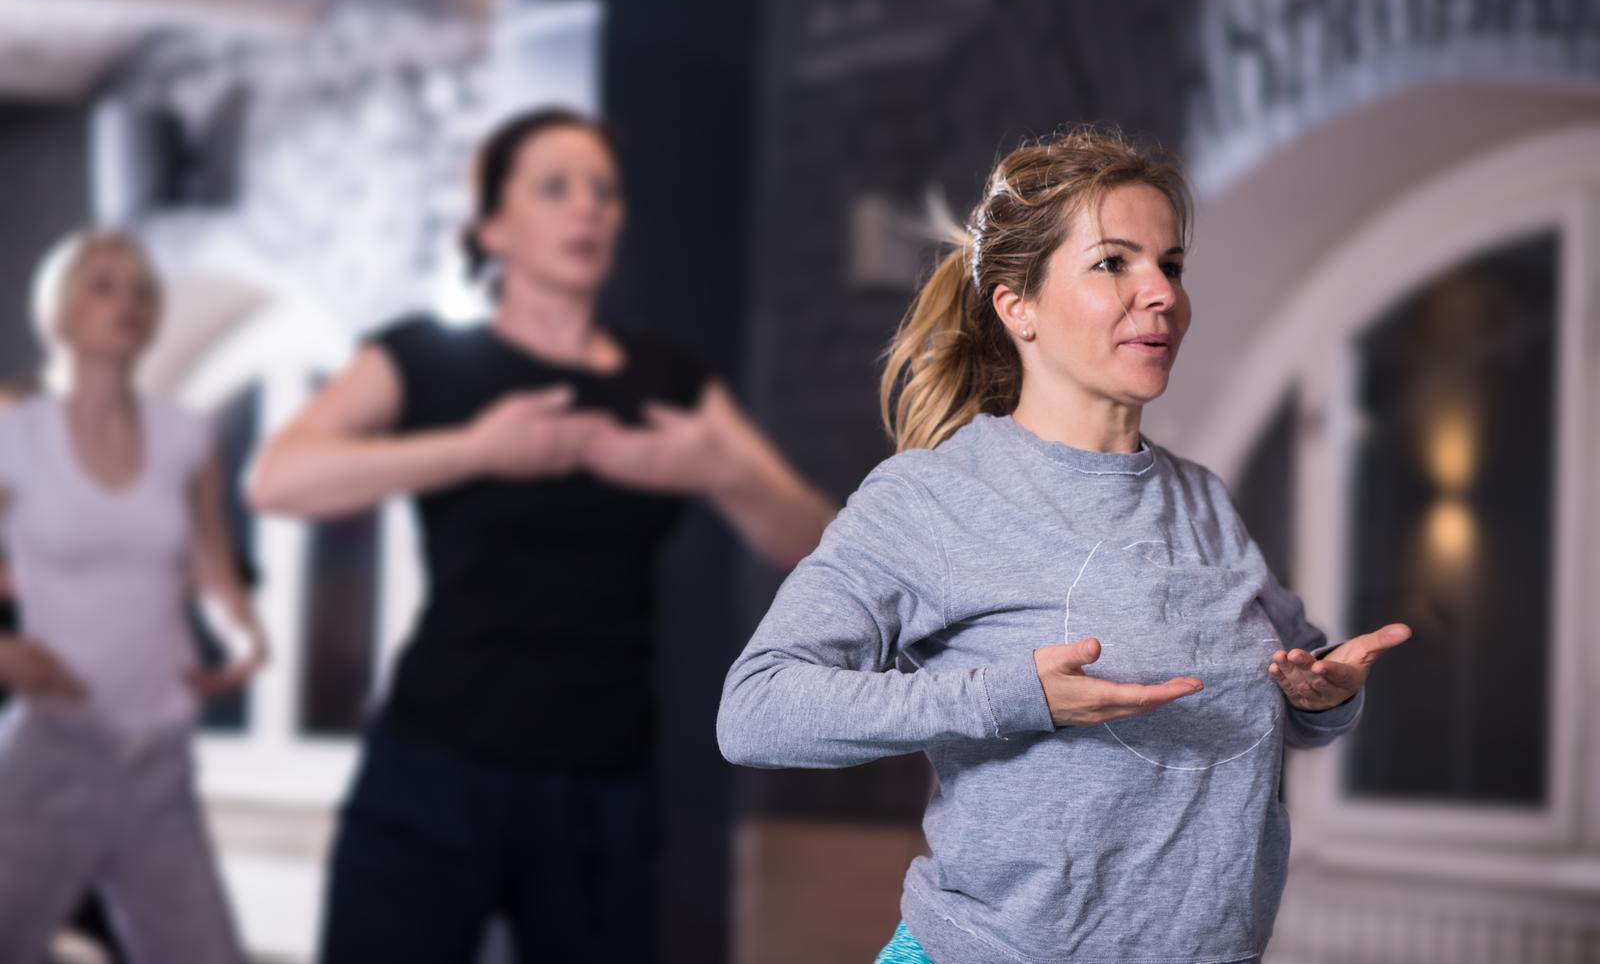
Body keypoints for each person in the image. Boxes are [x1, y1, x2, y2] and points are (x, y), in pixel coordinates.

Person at [717, 127, 1412, 964]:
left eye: (1172, 265)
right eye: (1114, 263)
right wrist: (1012, 697)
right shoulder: (931, 497)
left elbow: (1282, 704)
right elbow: (755, 711)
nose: (1160, 293)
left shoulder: (1203, 501)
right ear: (1019, 306)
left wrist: (1321, 693)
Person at [248, 107, 834, 963]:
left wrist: (716, 471)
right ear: (493, 228)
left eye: (604, 192)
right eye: (555, 189)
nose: (587, 210)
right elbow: (277, 477)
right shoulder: (426, 360)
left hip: (601, 782)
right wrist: (475, 449)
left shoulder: (666, 380)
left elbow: (816, 541)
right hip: (435, 767)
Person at [0, 230, 266, 963]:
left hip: (159, 760)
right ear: (56, 311)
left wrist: (243, 637)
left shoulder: (188, 436)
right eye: (103, 284)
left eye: (143, 289)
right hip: (53, 751)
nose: (128, 302)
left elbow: (212, 570)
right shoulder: (14, 435)